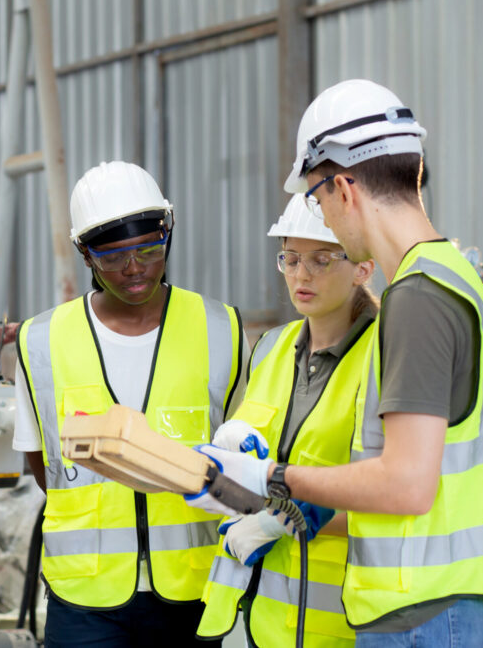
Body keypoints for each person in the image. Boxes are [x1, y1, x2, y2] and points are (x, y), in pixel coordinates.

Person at [186, 79, 483, 647]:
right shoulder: (447, 277)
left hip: (427, 608)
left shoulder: (417, 297)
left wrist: (270, 478)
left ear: (344, 188)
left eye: (317, 200)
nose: (325, 220)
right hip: (443, 600)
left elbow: (405, 484)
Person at [13, 160, 246, 647]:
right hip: (84, 597)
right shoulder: (41, 341)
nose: (135, 267)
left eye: (148, 249)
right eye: (114, 256)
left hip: (194, 588)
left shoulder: (221, 329)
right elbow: (43, 464)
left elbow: (243, 452)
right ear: (85, 254)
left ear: (168, 232)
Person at [197, 193, 377, 647]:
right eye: (291, 259)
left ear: (363, 268)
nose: (301, 275)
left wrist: (280, 518)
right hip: (253, 616)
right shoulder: (271, 348)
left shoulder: (384, 357)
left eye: (321, 260)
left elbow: (395, 496)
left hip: (332, 625)